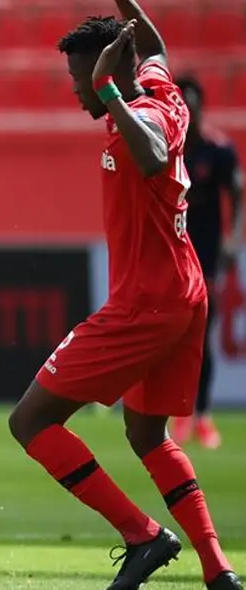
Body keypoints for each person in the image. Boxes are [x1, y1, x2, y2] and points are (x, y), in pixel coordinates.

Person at [7, 3, 241, 590]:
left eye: (82, 78)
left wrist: (108, 89)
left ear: (111, 71)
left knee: (30, 421)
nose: (78, 90)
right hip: (182, 294)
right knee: (145, 435)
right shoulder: (163, 90)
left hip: (145, 305)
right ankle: (217, 568)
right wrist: (126, 8)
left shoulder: (140, 113)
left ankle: (142, 535)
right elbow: (155, 44)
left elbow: (156, 155)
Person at [169, 74, 244, 449]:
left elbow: (237, 192)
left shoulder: (218, 150)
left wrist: (233, 239)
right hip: (172, 255)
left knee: (201, 334)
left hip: (207, 256)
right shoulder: (166, 149)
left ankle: (201, 415)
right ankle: (180, 412)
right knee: (174, 336)